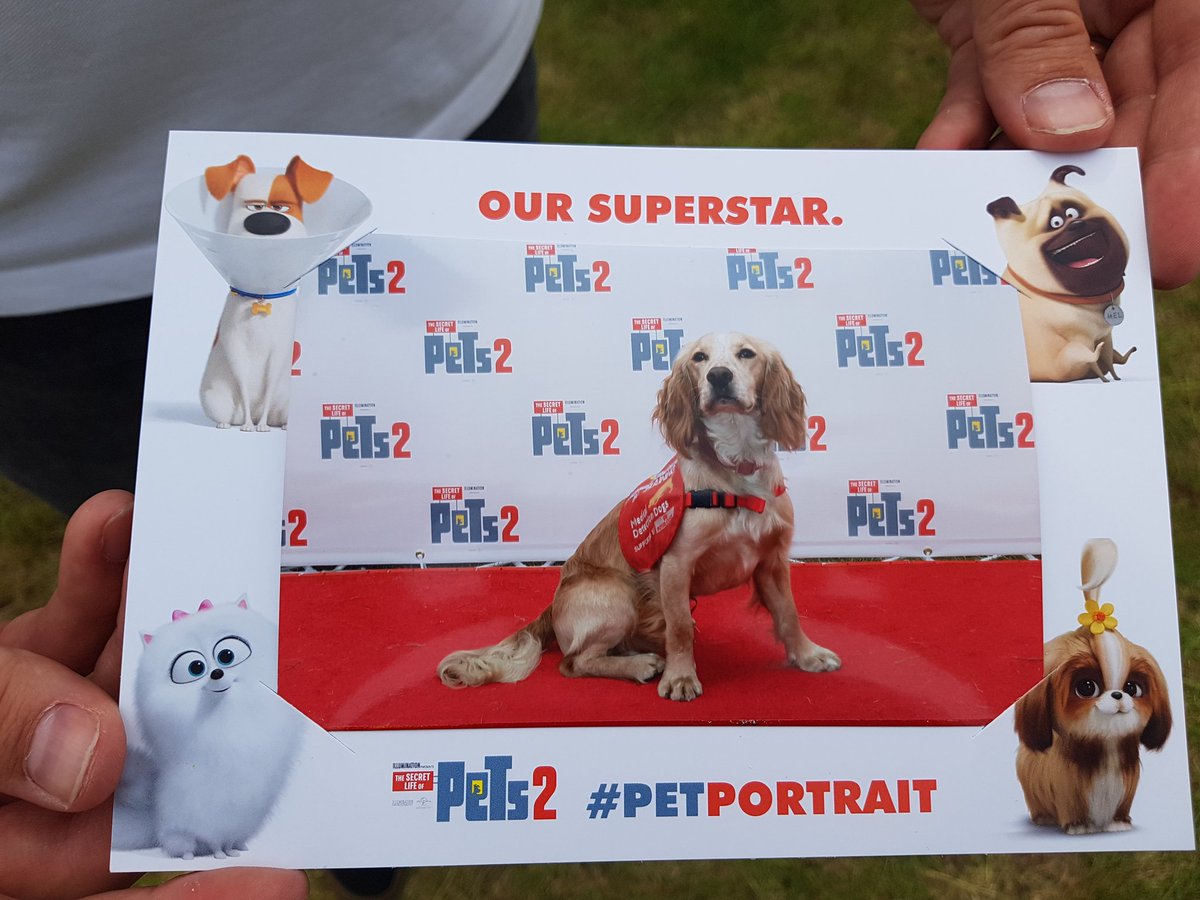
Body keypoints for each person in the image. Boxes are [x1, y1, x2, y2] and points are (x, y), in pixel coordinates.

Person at [2, 1, 1198, 898]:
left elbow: (764, 565)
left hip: (432, 77)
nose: (725, 378)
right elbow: (668, 575)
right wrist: (663, 656)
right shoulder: (682, 493)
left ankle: (366, 850)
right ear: (688, 394)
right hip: (53, 241)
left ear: (770, 388)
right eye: (704, 367)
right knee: (145, 540)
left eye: (743, 365)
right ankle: (379, 819)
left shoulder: (766, 489)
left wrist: (792, 636)